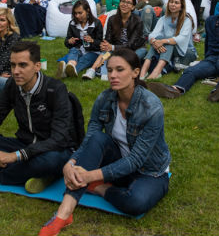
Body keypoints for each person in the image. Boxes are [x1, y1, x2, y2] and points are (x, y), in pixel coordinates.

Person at [39, 49, 170, 235]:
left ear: (135, 72)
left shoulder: (152, 107)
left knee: (136, 203)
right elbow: (90, 140)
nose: (113, 75)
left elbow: (136, 160)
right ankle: (63, 214)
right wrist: (71, 162)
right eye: (109, 70)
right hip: (117, 164)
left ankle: (100, 189)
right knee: (97, 137)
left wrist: (90, 177)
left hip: (149, 171)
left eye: (119, 70)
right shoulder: (104, 99)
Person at [0, 41, 78, 194]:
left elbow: (58, 139)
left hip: (53, 149)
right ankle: (34, 175)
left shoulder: (55, 89)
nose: (16, 71)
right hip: (24, 143)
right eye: (13, 65)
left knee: (52, 161)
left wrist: (15, 156)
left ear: (37, 66)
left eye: (23, 65)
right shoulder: (12, 86)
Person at [83, 0, 146, 80]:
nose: (125, 4)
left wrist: (112, 47)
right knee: (106, 51)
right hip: (117, 47)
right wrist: (105, 44)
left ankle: (105, 70)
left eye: (128, 3)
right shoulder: (112, 19)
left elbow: (131, 44)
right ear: (119, 3)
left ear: (133, 7)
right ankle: (92, 70)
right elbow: (108, 39)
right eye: (123, 1)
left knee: (132, 57)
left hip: (135, 48)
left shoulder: (138, 21)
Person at [140, 0, 196, 80]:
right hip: (168, 50)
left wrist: (163, 41)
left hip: (186, 52)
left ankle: (156, 71)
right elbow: (153, 34)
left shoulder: (186, 20)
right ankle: (144, 71)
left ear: (181, 6)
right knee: (158, 38)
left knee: (169, 41)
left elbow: (180, 39)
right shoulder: (164, 18)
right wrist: (154, 41)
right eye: (171, 2)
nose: (173, 4)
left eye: (176, 3)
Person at [56, 0, 103, 79]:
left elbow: (100, 44)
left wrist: (92, 41)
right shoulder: (72, 23)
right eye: (75, 13)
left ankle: (67, 71)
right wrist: (69, 41)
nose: (77, 16)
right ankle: (71, 64)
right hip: (78, 49)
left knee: (85, 59)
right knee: (73, 51)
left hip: (92, 51)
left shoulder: (96, 23)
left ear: (87, 11)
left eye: (80, 13)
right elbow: (66, 42)